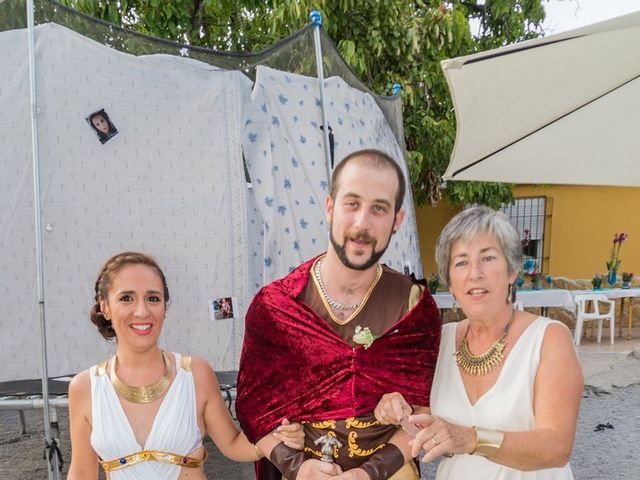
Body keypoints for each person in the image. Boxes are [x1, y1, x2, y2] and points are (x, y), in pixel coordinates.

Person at [236, 149, 441, 480]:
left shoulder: (414, 307)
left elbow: (422, 410)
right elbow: (253, 409)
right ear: (330, 207)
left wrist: (369, 473)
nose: (362, 224)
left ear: (396, 221)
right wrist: (297, 467)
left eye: (379, 208)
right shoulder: (275, 307)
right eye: (352, 203)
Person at [374, 206, 583, 479]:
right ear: (450, 283)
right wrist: (395, 408)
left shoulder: (549, 338)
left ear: (511, 271)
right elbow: (423, 429)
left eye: (488, 258)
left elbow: (556, 448)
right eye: (461, 262)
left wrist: (471, 439)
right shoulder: (440, 341)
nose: (475, 273)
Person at [67, 251, 304, 480]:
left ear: (165, 307)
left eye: (153, 298)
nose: (142, 311)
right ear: (104, 306)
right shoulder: (84, 387)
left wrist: (277, 437)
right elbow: (81, 474)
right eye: (126, 298)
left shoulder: (196, 374)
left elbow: (233, 444)